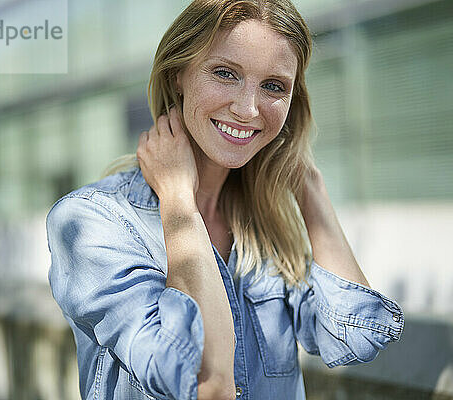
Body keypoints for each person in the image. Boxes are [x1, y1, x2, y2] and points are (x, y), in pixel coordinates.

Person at [46, 0, 404, 399]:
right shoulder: (92, 222)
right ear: (178, 74)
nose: (248, 109)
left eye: (273, 86)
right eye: (225, 73)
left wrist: (308, 184)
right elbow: (205, 382)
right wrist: (178, 201)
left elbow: (354, 338)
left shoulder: (265, 225)